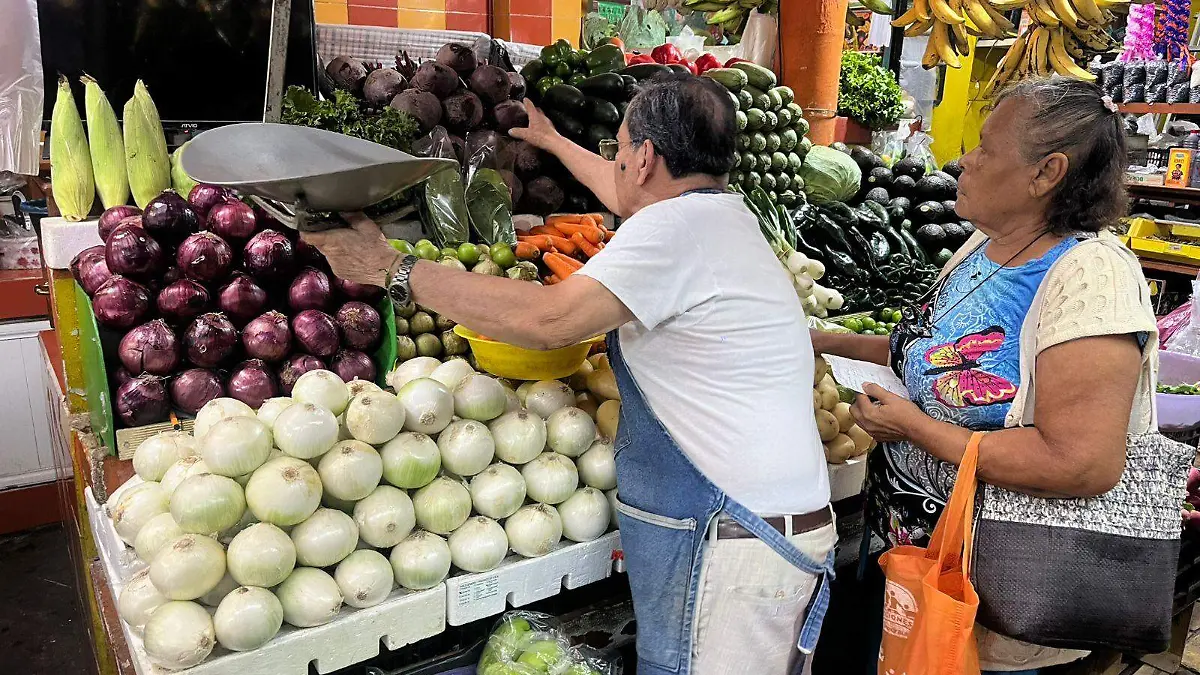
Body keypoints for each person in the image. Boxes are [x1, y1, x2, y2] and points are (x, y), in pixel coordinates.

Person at [304, 73, 836, 675]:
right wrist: (555, 142)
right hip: (767, 536)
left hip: (731, 544)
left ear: (645, 157)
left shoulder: (673, 231)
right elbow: (622, 189)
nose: (617, 166)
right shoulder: (721, 217)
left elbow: (549, 320)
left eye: (623, 149)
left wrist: (392, 270)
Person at [812, 77, 1158, 675]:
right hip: (923, 572)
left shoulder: (1091, 277)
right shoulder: (981, 247)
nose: (963, 161)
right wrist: (813, 338)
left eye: (986, 149)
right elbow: (921, 351)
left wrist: (916, 430)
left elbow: (1081, 460)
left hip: (1009, 602)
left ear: (1046, 173)